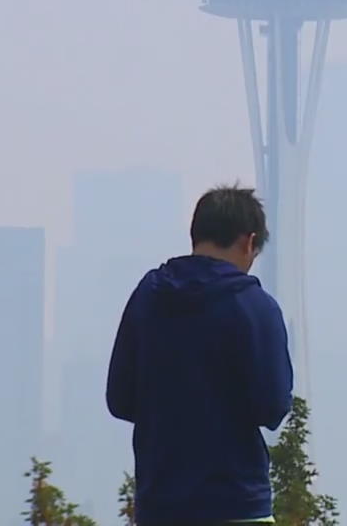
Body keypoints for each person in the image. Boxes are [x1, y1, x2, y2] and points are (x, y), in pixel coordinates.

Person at [107, 184, 293, 526]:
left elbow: (119, 400)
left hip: (159, 505)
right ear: (249, 242)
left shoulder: (148, 296)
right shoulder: (256, 307)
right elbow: (273, 406)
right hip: (236, 503)